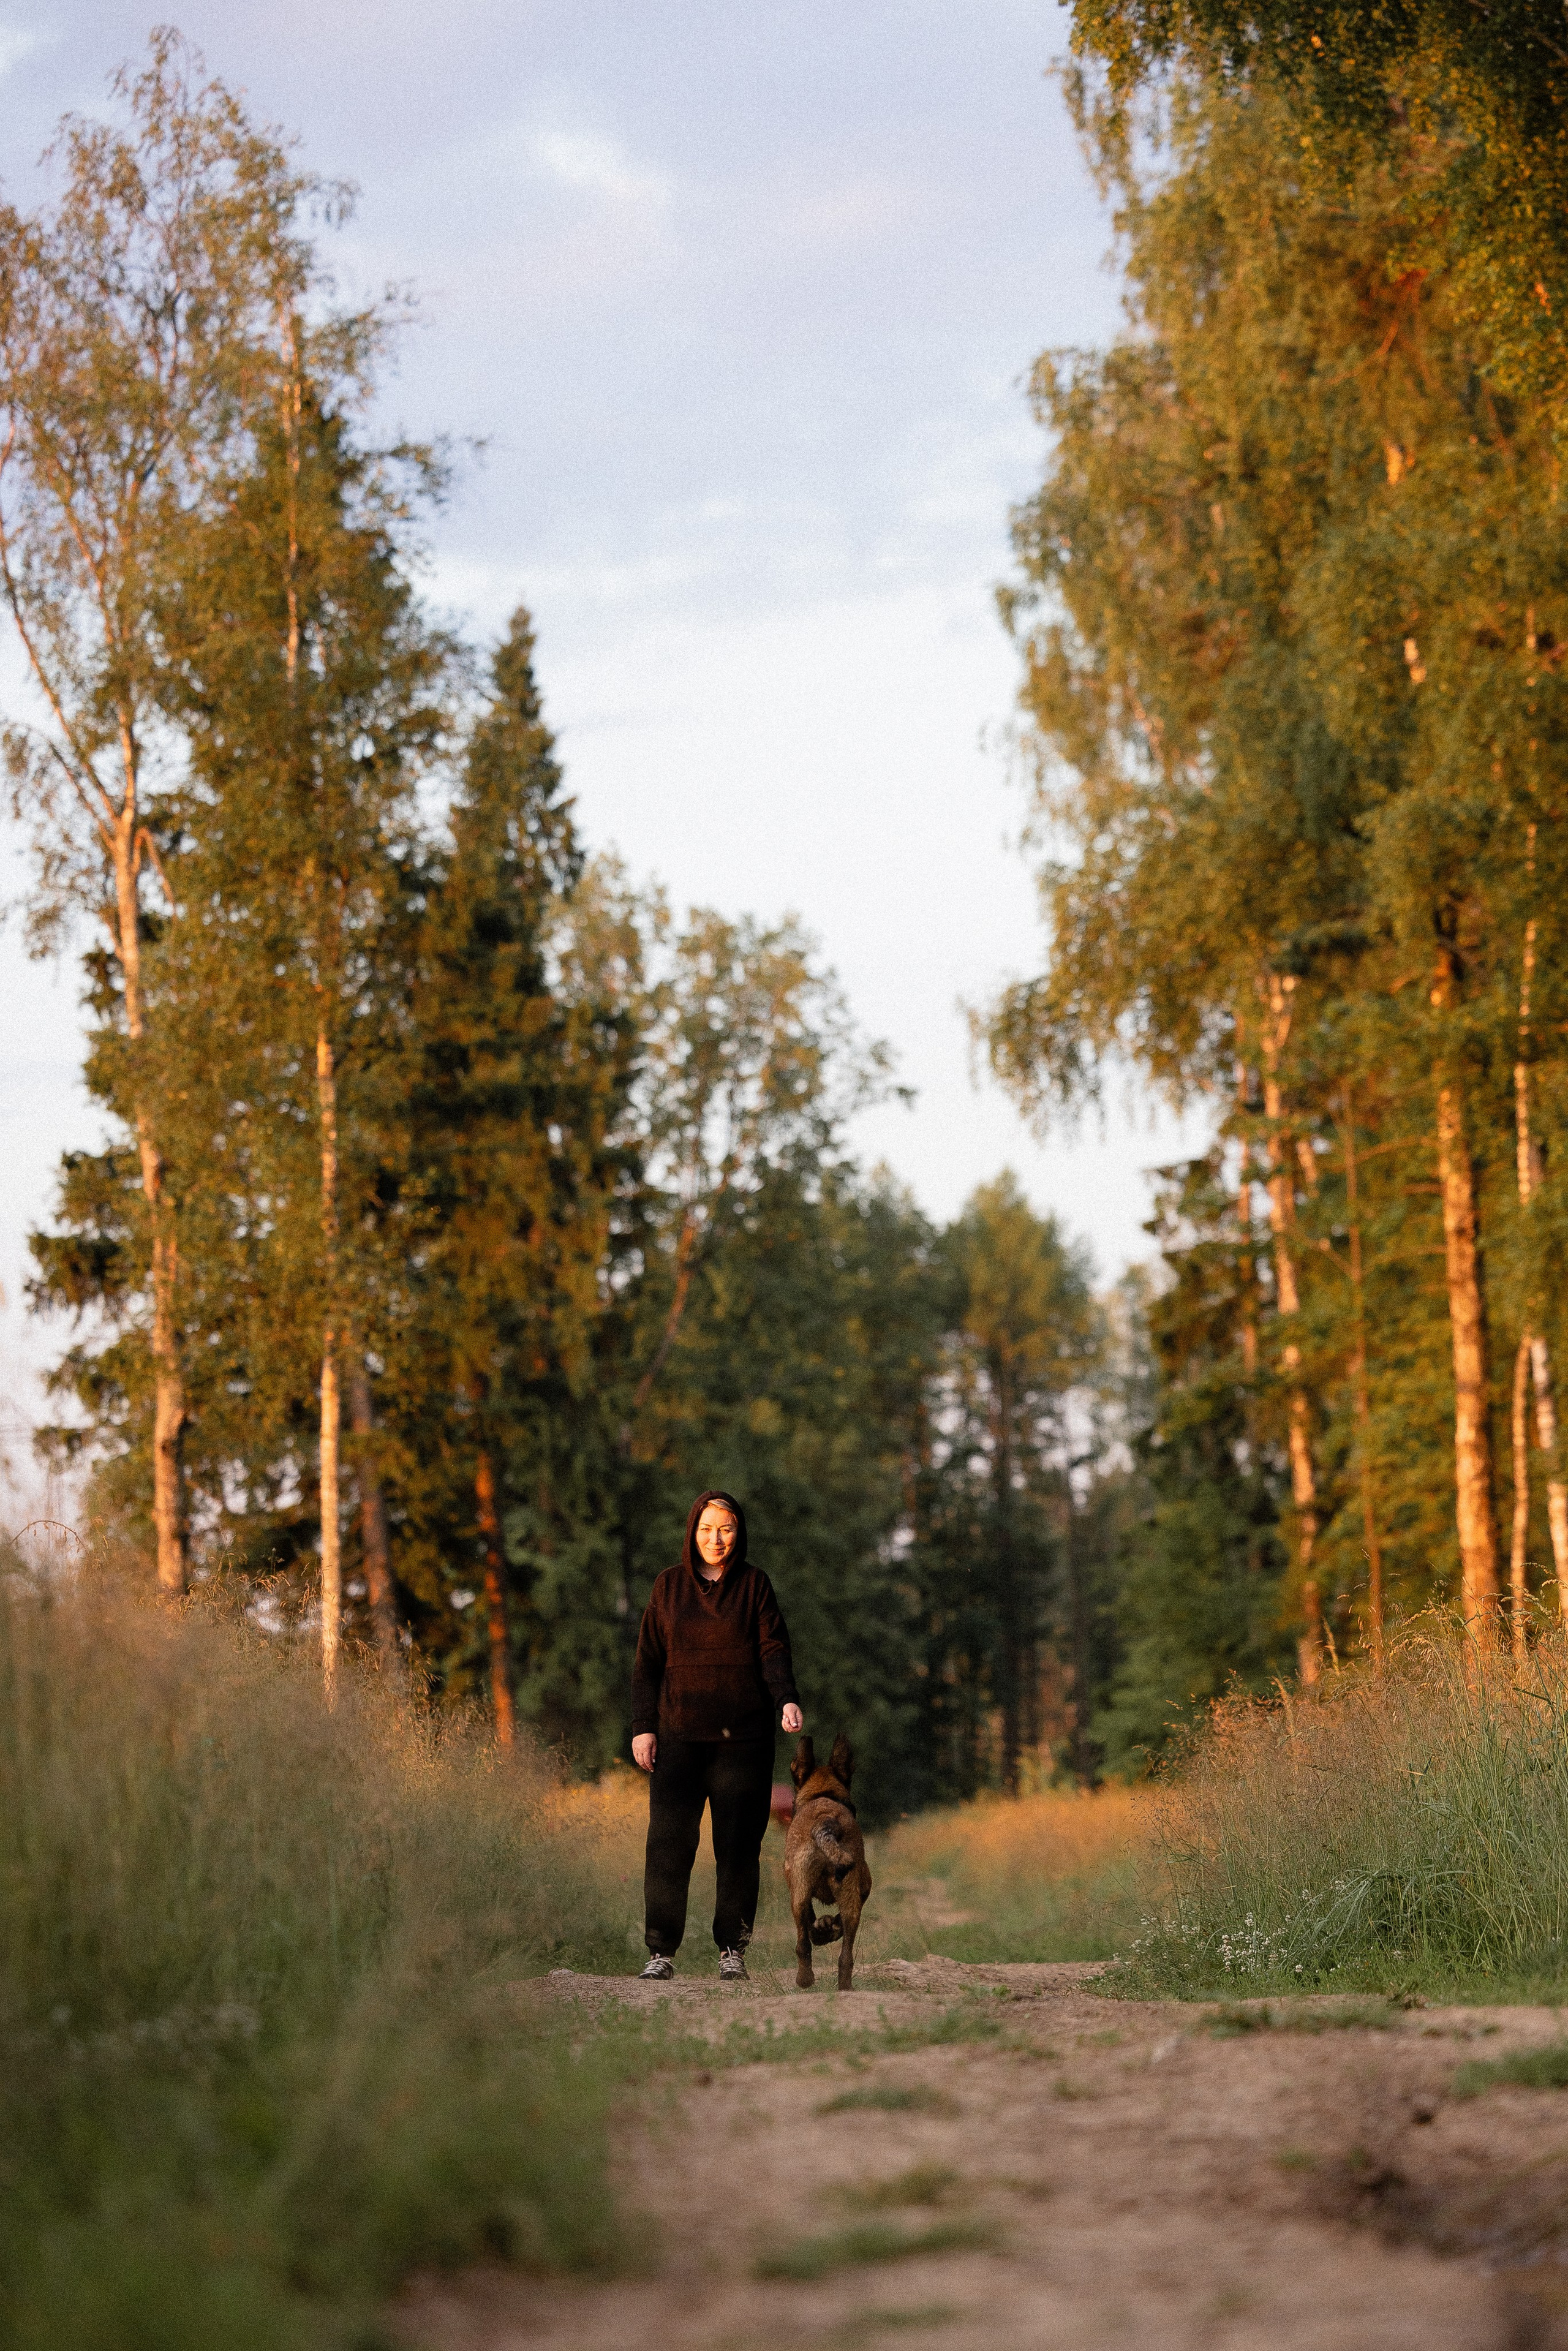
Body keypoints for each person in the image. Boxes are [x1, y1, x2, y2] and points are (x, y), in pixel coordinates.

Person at [630, 1489, 803, 1981]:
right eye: (707, 1529)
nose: (716, 1539)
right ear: (693, 1532)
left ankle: (733, 1950)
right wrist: (644, 1728)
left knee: (737, 1849)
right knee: (668, 1846)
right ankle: (660, 1951)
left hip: (743, 1742)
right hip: (678, 1738)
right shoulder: (668, 1587)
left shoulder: (755, 1586)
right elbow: (646, 1666)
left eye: (726, 1528)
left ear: (738, 1532)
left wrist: (786, 1698)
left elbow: (774, 1650)